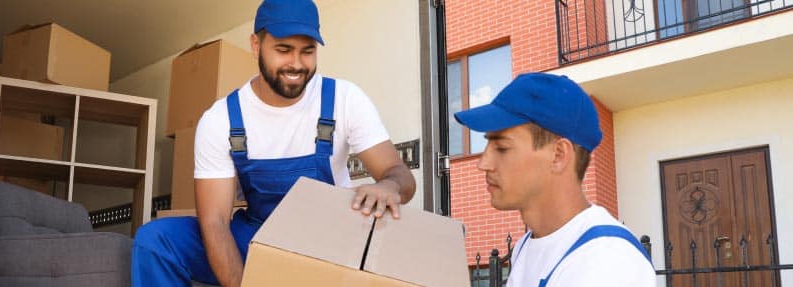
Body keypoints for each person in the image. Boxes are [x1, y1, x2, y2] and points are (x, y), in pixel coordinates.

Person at [131, 0, 416, 286]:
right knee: (156, 240)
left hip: (331, 243)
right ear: (256, 45)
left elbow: (399, 173)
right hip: (256, 237)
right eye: (283, 50)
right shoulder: (222, 120)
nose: (296, 64)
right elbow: (215, 222)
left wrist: (388, 186)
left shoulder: (344, 99)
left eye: (308, 51)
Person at [454, 73, 655, 287]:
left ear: (558, 154)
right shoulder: (526, 246)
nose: (483, 163)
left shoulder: (607, 260)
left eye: (502, 148)